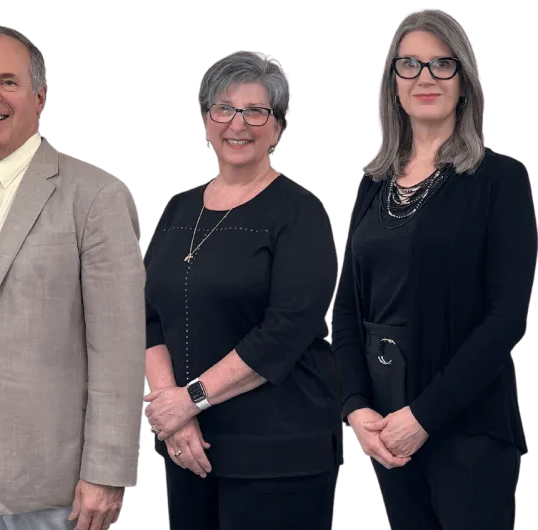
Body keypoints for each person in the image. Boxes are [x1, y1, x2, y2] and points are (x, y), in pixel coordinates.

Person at [0, 24, 146, 530]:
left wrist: (107, 472)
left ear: (40, 97)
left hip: (53, 470)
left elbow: (119, 350)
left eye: (8, 81)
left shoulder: (95, 197)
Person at [333, 9, 533, 530]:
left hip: (467, 430)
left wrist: (424, 416)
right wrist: (356, 407)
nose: (426, 77)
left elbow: (506, 318)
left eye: (442, 64)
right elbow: (349, 310)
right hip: (388, 430)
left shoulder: (498, 181)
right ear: (392, 83)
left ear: (464, 82)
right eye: (411, 65)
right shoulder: (373, 185)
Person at [141, 50, 342, 530]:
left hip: (277, 453)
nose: (238, 124)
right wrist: (172, 408)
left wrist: (189, 399)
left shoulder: (299, 214)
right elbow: (148, 317)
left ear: (278, 128)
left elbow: (285, 331)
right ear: (206, 121)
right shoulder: (180, 210)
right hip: (191, 446)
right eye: (225, 109)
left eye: (256, 111)